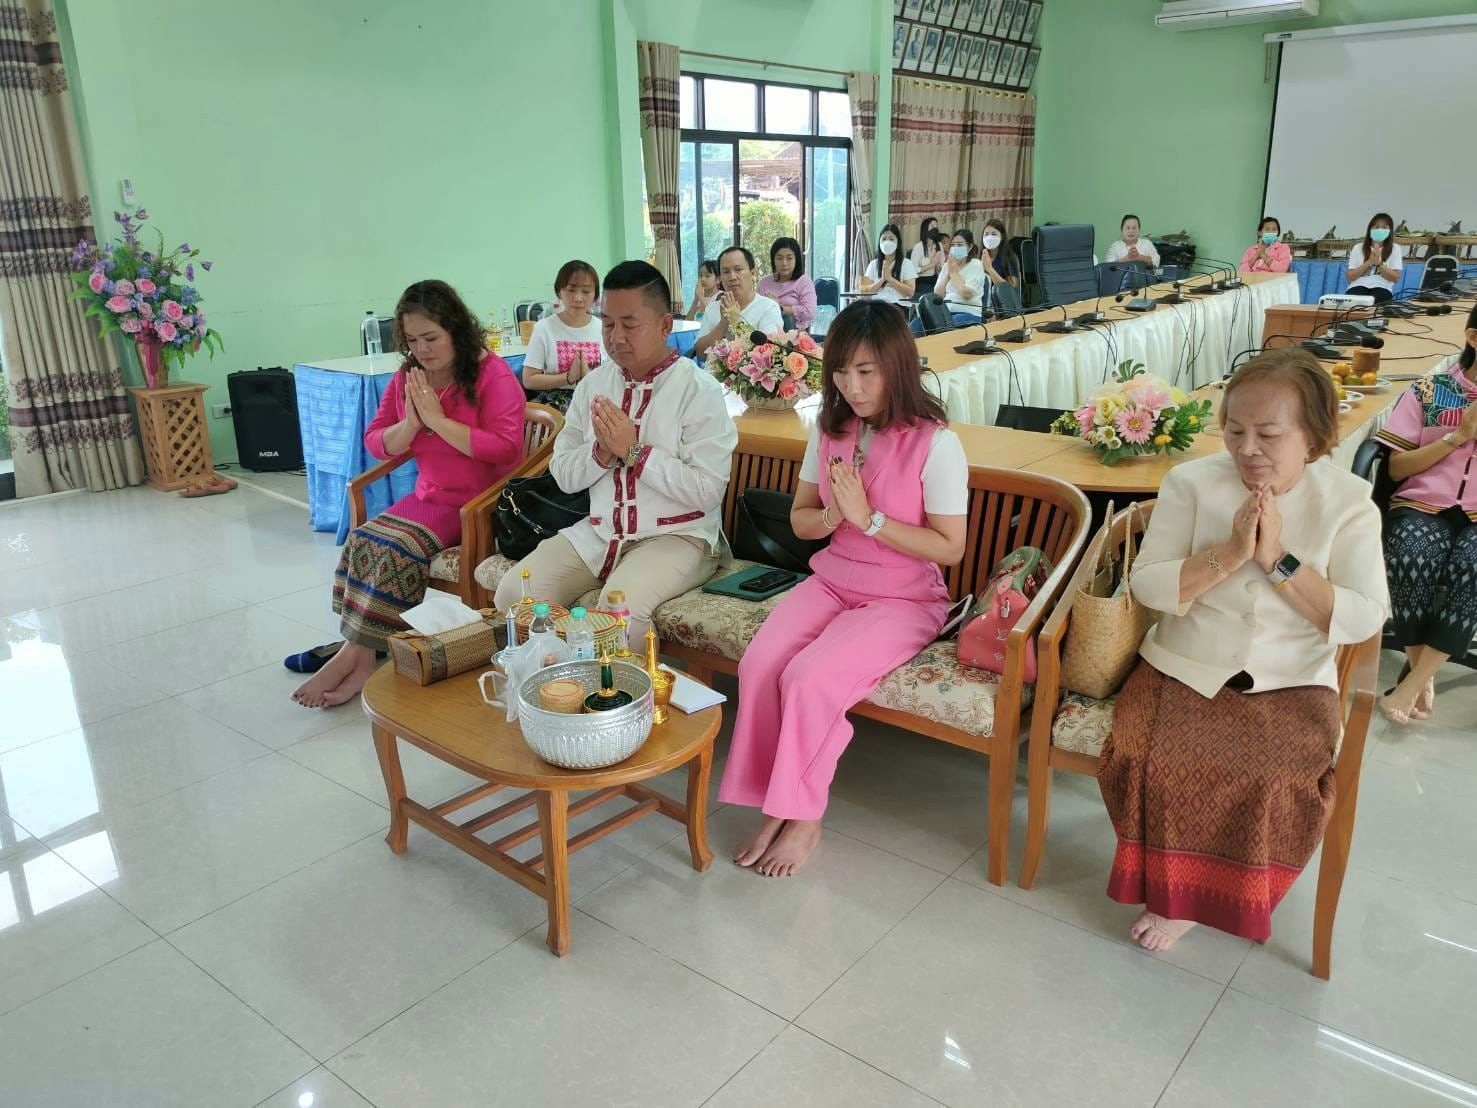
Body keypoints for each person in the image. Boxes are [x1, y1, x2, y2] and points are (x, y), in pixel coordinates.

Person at [1098, 348, 1388, 951]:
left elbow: (1363, 615)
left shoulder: (1348, 502)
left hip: (1292, 675)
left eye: (1269, 434)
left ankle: (1218, 897)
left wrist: (1277, 559)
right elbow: (1147, 585)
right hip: (1183, 661)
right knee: (1145, 757)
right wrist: (1229, 554)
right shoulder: (1191, 483)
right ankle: (1174, 895)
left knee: (1274, 781)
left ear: (1314, 437)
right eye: (1234, 431)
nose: (1247, 448)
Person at [721, 300, 967, 875]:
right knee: (760, 664)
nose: (851, 386)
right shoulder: (831, 431)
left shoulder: (937, 443)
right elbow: (803, 520)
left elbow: (950, 548)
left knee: (808, 678)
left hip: (904, 597)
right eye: (840, 371)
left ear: (895, 367)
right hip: (833, 579)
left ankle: (803, 815)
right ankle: (776, 801)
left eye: (866, 371)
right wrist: (837, 514)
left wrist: (871, 520)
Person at [293, 280, 527, 708]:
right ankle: (361, 655)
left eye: (431, 338)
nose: (422, 349)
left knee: (396, 548)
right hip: (429, 496)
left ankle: (352, 657)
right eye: (413, 340)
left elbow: (506, 448)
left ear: (456, 329)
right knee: (364, 539)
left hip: (478, 502)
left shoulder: (491, 374)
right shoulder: (410, 376)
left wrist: (437, 421)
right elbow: (377, 440)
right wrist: (413, 425)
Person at [494, 261, 737, 643]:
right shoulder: (593, 385)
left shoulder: (698, 390)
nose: (615, 337)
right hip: (601, 530)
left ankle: (615, 683)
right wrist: (602, 454)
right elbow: (563, 474)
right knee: (514, 596)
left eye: (629, 324)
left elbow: (707, 491)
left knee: (616, 615)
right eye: (607, 323)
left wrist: (634, 451)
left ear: (664, 326)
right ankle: (560, 677)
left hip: (678, 535)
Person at [1371, 303, 1477, 725]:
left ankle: (1413, 683)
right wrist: (1459, 435)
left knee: (1474, 563)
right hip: (1421, 502)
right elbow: (1396, 468)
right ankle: (1422, 675)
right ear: (1473, 338)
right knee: (1411, 553)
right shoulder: (1431, 391)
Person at [520, 259, 608, 414]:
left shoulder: (603, 328)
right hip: (556, 403)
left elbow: (614, 376)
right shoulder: (543, 328)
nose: (578, 298)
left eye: (586, 291)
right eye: (571, 290)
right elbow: (529, 380)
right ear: (559, 291)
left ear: (595, 296)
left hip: (595, 400)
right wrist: (568, 377)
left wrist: (588, 378)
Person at [692, 245, 785, 358]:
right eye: (726, 272)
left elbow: (769, 354)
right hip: (711, 370)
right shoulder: (712, 308)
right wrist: (724, 323)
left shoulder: (768, 307)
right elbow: (700, 353)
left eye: (738, 270)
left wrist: (735, 321)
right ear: (720, 278)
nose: (732, 277)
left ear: (753, 273)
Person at [911, 228, 987, 334]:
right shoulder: (947, 266)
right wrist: (948, 273)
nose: (955, 248)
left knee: (944, 327)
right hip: (945, 312)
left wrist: (953, 274)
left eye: (960, 245)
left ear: (970, 246)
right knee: (915, 325)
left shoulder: (976, 265)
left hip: (969, 313)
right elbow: (937, 295)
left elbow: (966, 293)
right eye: (953, 245)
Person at [757, 236, 817, 332]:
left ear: (796, 260)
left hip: (796, 335)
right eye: (779, 258)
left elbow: (810, 311)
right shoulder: (764, 283)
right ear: (773, 260)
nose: (784, 263)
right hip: (766, 333)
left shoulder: (804, 282)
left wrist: (779, 307)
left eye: (789, 258)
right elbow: (757, 309)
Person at [1346, 212, 1402, 303]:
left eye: (1384, 227)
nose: (1380, 230)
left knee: (1379, 299)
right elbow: (1350, 277)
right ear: (1370, 229)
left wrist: (1379, 264)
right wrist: (1369, 262)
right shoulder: (1358, 247)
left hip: (1382, 287)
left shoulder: (1395, 248)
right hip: (1358, 286)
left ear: (1390, 231)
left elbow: (1395, 278)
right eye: (1376, 227)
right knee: (1354, 300)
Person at [857, 223, 918, 305]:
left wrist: (890, 279)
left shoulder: (907, 264)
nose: (887, 242)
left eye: (891, 239)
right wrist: (882, 279)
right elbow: (866, 293)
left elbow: (910, 293)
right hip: (877, 305)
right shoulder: (873, 264)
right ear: (880, 243)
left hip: (898, 306)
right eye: (884, 239)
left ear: (898, 243)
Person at [979, 218, 1020, 291]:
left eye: (994, 234)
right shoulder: (979, 258)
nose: (989, 237)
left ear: (1002, 237)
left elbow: (1011, 290)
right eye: (986, 234)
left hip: (1000, 298)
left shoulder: (1009, 258)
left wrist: (990, 269)